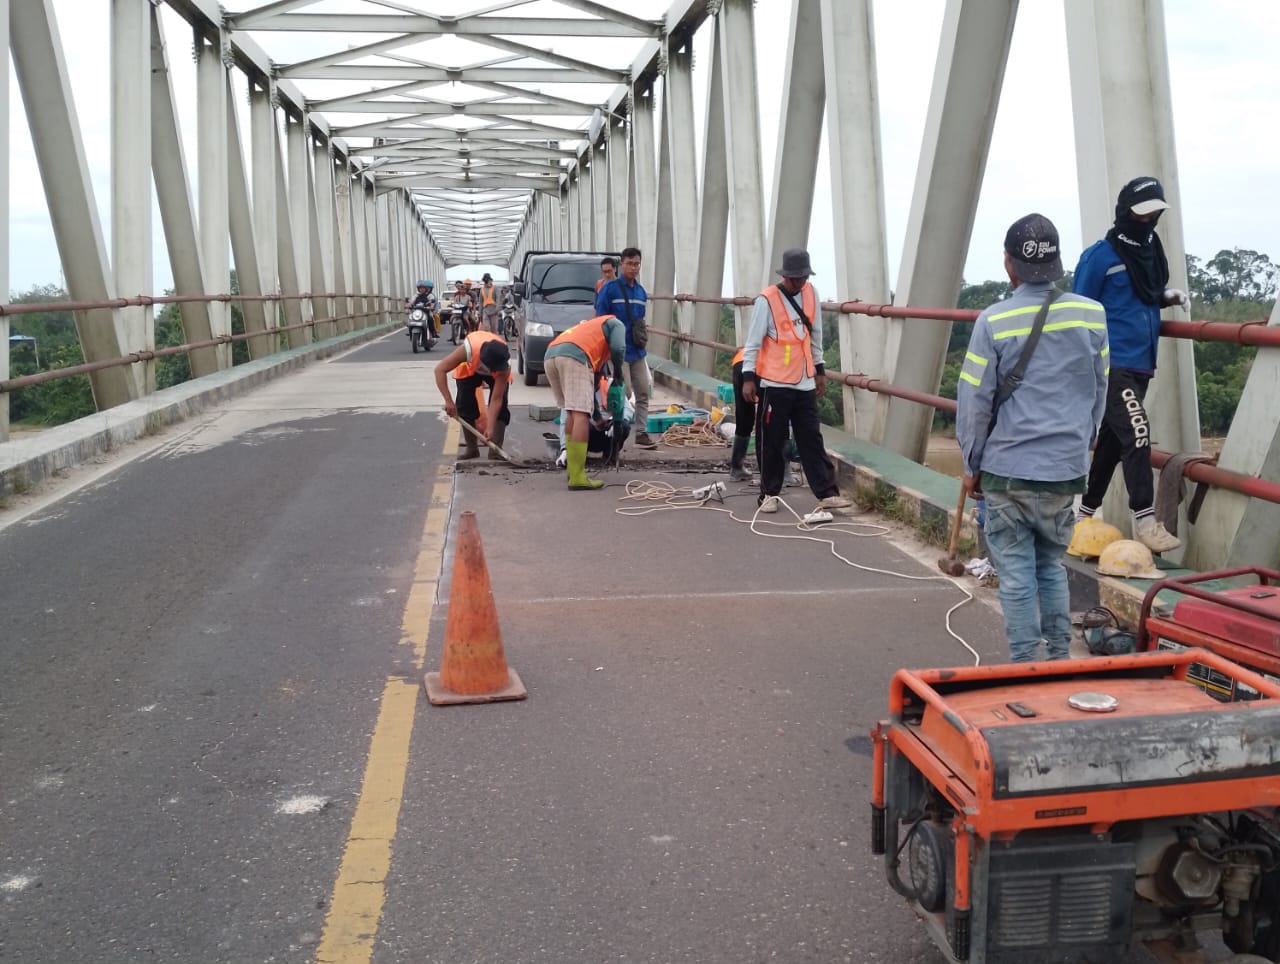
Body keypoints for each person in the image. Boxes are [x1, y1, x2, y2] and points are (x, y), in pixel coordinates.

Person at [956, 213, 1109, 662]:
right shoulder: (1092, 314)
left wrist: (970, 465)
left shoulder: (993, 321)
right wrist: (1081, 445)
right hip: (1065, 470)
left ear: (1009, 265)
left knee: (1018, 572)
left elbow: (974, 401)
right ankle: (1058, 658)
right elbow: (1099, 390)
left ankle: (1027, 664)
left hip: (1008, 470)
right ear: (1057, 263)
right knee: (1051, 566)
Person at [1073, 176, 1189, 553]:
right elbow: (1079, 310)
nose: (1148, 221)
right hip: (1111, 365)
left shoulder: (1151, 251)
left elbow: (1141, 298)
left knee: (1112, 441)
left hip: (1141, 364)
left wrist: (1165, 298)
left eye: (1154, 214)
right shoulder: (1099, 257)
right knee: (1138, 431)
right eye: (1142, 214)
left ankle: (1082, 513)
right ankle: (1145, 519)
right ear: (1125, 213)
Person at [740, 249, 852, 515]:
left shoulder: (811, 294)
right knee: (772, 441)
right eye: (795, 278)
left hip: (804, 381)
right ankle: (769, 493)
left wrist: (820, 370)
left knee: (811, 437)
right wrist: (748, 378)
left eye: (803, 277)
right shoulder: (767, 300)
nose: (800, 282)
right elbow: (753, 343)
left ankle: (827, 493)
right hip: (774, 383)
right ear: (785, 276)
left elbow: (815, 336)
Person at [543, 315, 628, 490]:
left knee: (572, 411)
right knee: (580, 414)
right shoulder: (616, 323)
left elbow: (593, 386)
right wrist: (619, 374)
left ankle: (572, 471)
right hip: (574, 356)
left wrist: (597, 418)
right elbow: (619, 348)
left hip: (551, 355)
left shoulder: (591, 337)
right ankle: (577, 476)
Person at [595, 248, 655, 447]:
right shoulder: (609, 289)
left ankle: (641, 433)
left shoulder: (640, 292)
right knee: (625, 391)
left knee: (643, 390)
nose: (633, 267)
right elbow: (601, 319)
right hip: (618, 351)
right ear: (621, 265)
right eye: (629, 263)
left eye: (637, 264)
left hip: (637, 350)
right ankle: (616, 428)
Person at [434, 329, 512, 461]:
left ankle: (495, 451)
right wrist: (448, 401)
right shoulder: (468, 350)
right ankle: (472, 448)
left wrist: (490, 427)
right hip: (470, 368)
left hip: (492, 369)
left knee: (502, 406)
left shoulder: (504, 364)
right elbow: (439, 370)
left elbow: (496, 399)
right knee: (465, 403)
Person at [727, 346, 755, 481]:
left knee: (745, 417)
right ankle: (783, 474)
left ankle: (736, 468)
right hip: (757, 365)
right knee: (774, 418)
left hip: (741, 361)